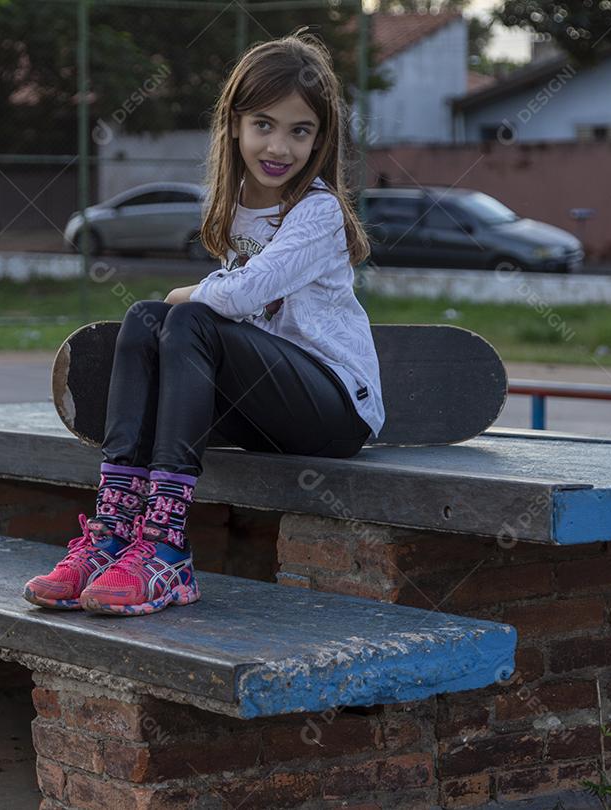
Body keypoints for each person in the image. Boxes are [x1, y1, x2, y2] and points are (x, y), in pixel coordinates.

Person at [23, 29, 385, 617]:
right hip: (265, 406)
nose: (280, 145)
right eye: (263, 124)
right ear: (235, 125)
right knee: (145, 318)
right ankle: (114, 530)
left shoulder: (317, 211)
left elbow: (243, 295)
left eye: (301, 130)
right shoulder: (239, 204)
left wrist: (185, 294)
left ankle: (166, 550)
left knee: (182, 312)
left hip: (334, 406)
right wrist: (179, 307)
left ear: (321, 139)